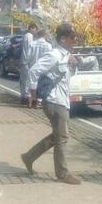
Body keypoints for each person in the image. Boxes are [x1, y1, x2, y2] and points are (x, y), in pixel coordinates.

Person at [21, 23, 81, 185]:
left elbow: (66, 77)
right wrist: (32, 94)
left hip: (61, 100)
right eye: (72, 37)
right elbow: (34, 70)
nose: (74, 40)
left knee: (58, 136)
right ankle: (62, 173)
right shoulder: (54, 54)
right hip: (54, 101)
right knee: (62, 138)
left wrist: (72, 64)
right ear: (62, 39)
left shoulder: (65, 55)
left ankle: (29, 156)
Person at [26, 28, 52, 108]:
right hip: (43, 68)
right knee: (41, 86)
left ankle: (30, 103)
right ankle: (38, 103)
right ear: (45, 35)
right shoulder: (48, 45)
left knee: (31, 85)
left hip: (33, 67)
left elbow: (28, 56)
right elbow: (50, 58)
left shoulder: (32, 44)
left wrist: (30, 64)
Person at [19, 22, 37, 105]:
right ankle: (26, 97)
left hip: (24, 61)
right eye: (34, 29)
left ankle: (23, 96)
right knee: (27, 81)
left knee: (23, 80)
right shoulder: (30, 36)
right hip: (27, 62)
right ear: (30, 29)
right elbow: (29, 50)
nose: (35, 31)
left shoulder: (26, 36)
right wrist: (29, 61)